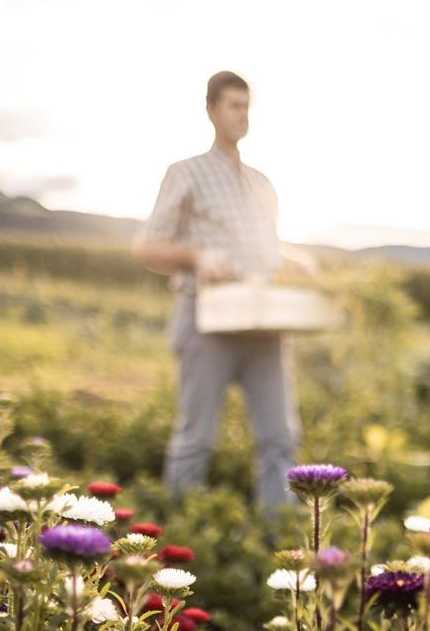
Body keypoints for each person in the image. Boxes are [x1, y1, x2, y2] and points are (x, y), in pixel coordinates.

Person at [133, 71, 311, 510]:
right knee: (196, 441)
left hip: (263, 327)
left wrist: (291, 257)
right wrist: (197, 257)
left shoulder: (261, 183)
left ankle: (276, 550)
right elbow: (147, 247)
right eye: (232, 105)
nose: (241, 115)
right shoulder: (186, 173)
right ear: (211, 110)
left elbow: (261, 250)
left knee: (280, 439)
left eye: (245, 106)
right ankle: (179, 546)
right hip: (206, 322)